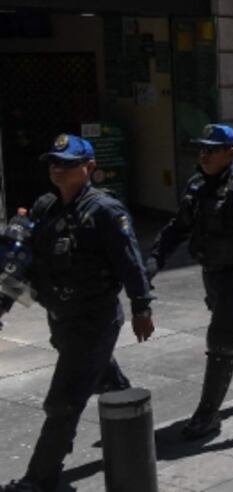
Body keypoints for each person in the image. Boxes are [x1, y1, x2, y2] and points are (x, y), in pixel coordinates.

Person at [0, 134, 155, 492]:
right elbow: (19, 265)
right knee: (98, 375)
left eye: (68, 163)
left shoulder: (105, 211)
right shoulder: (44, 206)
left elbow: (131, 264)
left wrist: (141, 307)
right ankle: (132, 422)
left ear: (88, 168)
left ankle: (40, 479)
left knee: (63, 401)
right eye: (54, 161)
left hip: (94, 319)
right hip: (60, 318)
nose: (58, 168)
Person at [147, 124, 233, 440]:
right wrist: (155, 259)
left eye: (211, 149)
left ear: (230, 152)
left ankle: (207, 415)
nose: (204, 154)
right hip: (212, 273)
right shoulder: (197, 186)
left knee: (221, 338)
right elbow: (177, 227)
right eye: (202, 148)